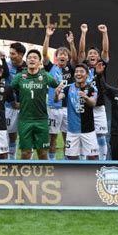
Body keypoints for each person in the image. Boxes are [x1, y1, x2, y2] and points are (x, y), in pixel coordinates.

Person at [10, 49, 58, 160]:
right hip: (24, 120)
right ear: (26, 61)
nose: (32, 59)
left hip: (41, 120)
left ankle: (44, 177)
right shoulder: (20, 76)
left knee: (42, 153)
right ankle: (24, 177)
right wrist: (13, 103)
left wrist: (57, 97)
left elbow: (58, 87)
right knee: (25, 153)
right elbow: (9, 90)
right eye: (29, 57)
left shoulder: (45, 76)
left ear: (39, 62)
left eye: (35, 58)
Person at [42, 24, 78, 160]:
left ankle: (65, 161)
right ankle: (52, 162)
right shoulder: (51, 68)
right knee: (52, 138)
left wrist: (71, 43)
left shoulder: (71, 68)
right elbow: (44, 54)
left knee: (67, 137)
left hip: (68, 108)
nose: (62, 56)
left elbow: (75, 58)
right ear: (56, 57)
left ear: (67, 58)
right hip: (53, 107)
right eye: (60, 54)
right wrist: (47, 36)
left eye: (65, 54)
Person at [78, 23, 110, 160]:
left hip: (98, 107)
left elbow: (106, 51)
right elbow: (80, 52)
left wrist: (104, 33)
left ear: (98, 57)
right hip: (84, 108)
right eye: (90, 53)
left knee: (101, 137)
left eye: (95, 53)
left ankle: (102, 162)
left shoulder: (101, 66)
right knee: (83, 136)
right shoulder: (83, 67)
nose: (92, 55)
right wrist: (84, 33)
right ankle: (83, 161)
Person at [55, 64, 98, 160]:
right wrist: (56, 94)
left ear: (87, 75)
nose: (78, 74)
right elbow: (57, 99)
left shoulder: (92, 89)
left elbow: (93, 103)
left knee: (93, 158)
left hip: (88, 130)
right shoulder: (68, 88)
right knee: (71, 158)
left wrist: (85, 97)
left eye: (81, 72)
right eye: (77, 72)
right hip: (72, 130)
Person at [1, 42, 27, 159]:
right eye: (10, 53)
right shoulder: (6, 65)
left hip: (24, 107)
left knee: (25, 136)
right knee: (10, 135)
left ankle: (24, 162)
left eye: (13, 53)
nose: (10, 56)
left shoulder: (28, 67)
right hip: (9, 106)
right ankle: (11, 160)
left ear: (21, 54)